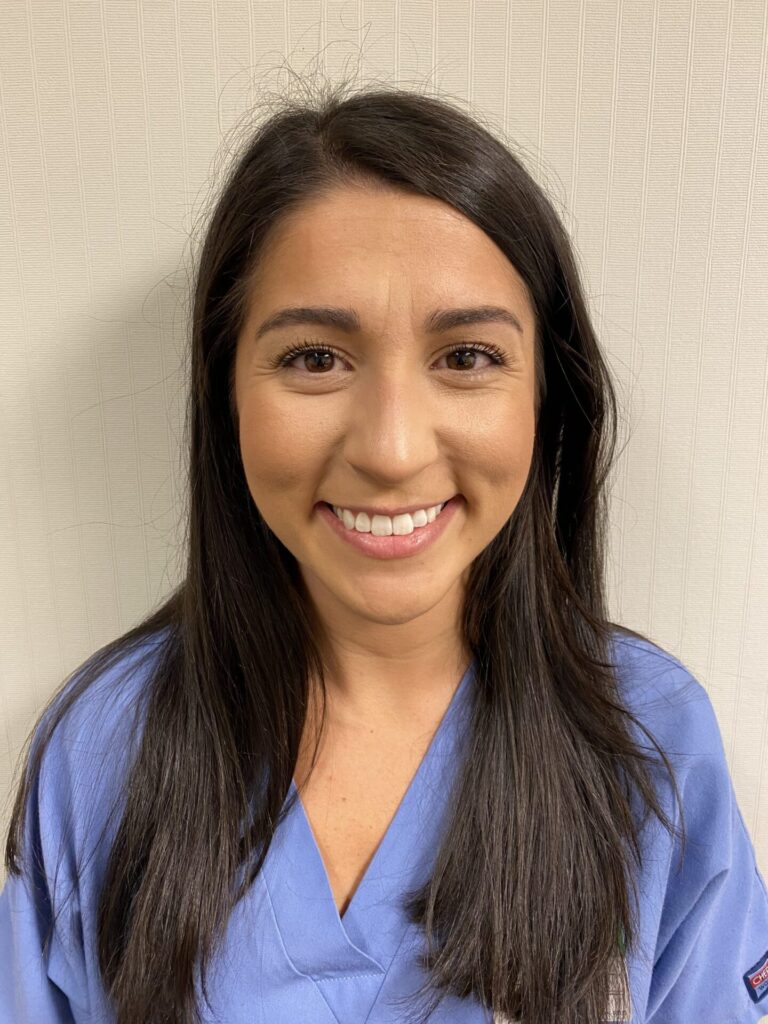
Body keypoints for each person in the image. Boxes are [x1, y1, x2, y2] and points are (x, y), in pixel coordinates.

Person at [1, 79, 767, 1024]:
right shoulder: (104, 750)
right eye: (315, 358)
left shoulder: (650, 744)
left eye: (467, 357)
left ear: (547, 396)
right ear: (226, 393)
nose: (393, 450)